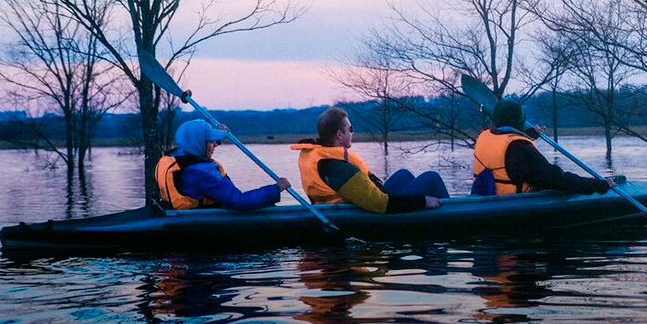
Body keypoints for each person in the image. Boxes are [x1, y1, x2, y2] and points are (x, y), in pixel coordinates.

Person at [290, 107, 449, 214]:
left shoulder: (324, 157)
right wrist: (422, 201)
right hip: (369, 213)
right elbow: (380, 204)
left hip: (364, 204)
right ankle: (455, 217)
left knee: (403, 175)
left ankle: (424, 217)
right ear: (339, 134)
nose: (353, 132)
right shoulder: (335, 167)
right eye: (350, 129)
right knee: (431, 178)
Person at [472, 99, 614, 196]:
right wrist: (597, 185)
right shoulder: (521, 147)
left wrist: (530, 134)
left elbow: (507, 147)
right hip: (513, 201)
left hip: (486, 194)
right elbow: (556, 177)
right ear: (520, 120)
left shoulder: (484, 137)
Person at [155, 119, 290, 210]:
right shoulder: (201, 173)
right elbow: (239, 201)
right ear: (199, 143)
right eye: (211, 142)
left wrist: (219, 135)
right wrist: (276, 189)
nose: (214, 146)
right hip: (198, 219)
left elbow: (197, 146)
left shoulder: (179, 156)